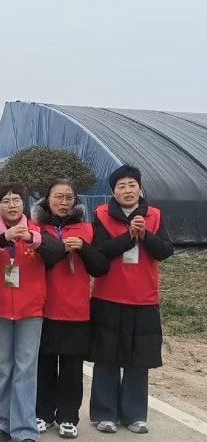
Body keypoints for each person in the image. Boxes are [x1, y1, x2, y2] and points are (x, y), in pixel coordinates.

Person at [0, 183, 63, 442]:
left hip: (31, 311)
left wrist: (32, 238)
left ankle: (24, 429)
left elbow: (57, 252)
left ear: (24, 204)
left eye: (17, 200)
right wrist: (3, 239)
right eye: (6, 201)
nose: (12, 205)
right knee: (6, 367)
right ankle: (2, 424)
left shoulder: (38, 231)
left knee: (25, 369)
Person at [89, 165, 173, 435]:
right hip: (108, 297)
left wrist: (145, 235)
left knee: (139, 360)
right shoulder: (101, 215)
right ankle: (105, 414)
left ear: (140, 188)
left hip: (143, 299)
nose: (127, 190)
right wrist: (128, 237)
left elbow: (165, 251)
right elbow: (99, 252)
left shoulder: (154, 216)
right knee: (107, 358)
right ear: (113, 191)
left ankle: (135, 415)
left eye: (132, 185)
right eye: (121, 186)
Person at [31, 179, 109, 439]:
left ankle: (68, 417)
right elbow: (35, 261)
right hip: (42, 308)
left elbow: (100, 267)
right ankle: (42, 413)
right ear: (47, 199)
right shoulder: (36, 228)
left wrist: (83, 248)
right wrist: (60, 248)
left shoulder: (87, 229)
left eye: (69, 197)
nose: (63, 202)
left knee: (72, 368)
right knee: (44, 365)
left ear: (75, 201)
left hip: (76, 310)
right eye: (58, 197)